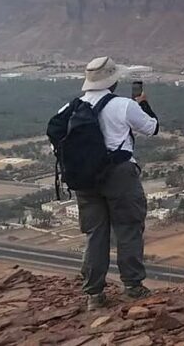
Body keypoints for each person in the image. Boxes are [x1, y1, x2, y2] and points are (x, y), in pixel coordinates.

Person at [55, 57, 160, 310]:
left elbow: (57, 143)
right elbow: (152, 128)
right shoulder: (123, 105)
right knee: (128, 228)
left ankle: (94, 294)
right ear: (112, 82)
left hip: (84, 179)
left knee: (95, 234)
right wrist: (143, 105)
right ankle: (133, 287)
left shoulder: (68, 108)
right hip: (119, 175)